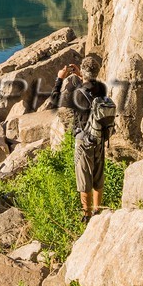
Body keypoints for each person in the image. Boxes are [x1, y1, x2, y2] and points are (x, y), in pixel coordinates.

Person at [59, 54, 113, 218]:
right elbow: (91, 86)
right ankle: (98, 211)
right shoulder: (102, 88)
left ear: (83, 71)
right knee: (98, 176)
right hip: (99, 137)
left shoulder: (77, 94)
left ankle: (87, 215)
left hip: (83, 140)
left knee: (84, 181)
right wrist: (82, 75)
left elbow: (56, 100)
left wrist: (60, 79)